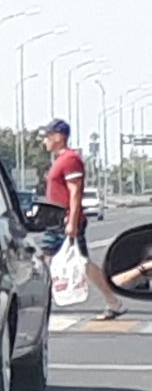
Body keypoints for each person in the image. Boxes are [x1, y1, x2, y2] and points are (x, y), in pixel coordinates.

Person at [40, 119, 125, 320]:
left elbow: (75, 192)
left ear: (59, 137)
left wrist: (72, 221)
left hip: (66, 220)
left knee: (79, 262)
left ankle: (113, 301)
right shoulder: (60, 160)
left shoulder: (70, 160)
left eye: (47, 136)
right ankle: (112, 301)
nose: (44, 141)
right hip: (56, 220)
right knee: (53, 261)